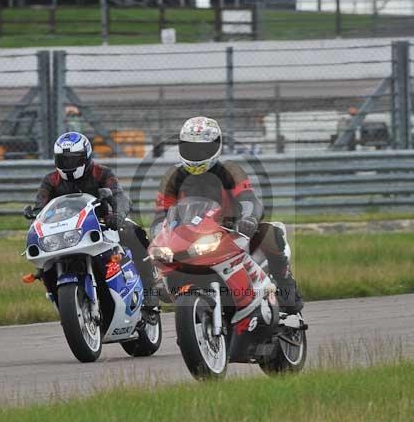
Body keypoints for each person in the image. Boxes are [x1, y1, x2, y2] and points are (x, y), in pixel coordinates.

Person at [151, 116, 303, 313]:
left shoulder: (230, 170)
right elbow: (160, 215)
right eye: (190, 148)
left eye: (203, 149)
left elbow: (249, 200)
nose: (196, 154)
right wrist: (159, 236)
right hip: (190, 238)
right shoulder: (173, 177)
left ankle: (287, 289)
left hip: (231, 232)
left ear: (216, 147)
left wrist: (249, 219)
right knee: (156, 263)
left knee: (270, 233)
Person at [24, 131, 157, 308]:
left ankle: (150, 291)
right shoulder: (51, 180)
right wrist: (35, 219)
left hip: (102, 224)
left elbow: (120, 197)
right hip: (67, 231)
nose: (68, 164)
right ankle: (56, 293)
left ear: (86, 156)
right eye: (63, 160)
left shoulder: (101, 173)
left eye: (73, 159)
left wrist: (117, 216)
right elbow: (41, 208)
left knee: (134, 232)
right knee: (45, 264)